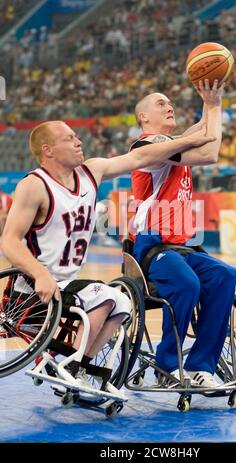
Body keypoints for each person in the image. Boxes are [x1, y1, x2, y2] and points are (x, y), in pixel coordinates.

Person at [1, 120, 214, 388]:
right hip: (32, 286)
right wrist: (40, 275)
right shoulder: (35, 185)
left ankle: (73, 365)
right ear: (49, 150)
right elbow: (9, 241)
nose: (79, 142)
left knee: (122, 303)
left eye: (77, 136)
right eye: (69, 138)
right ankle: (68, 365)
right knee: (103, 295)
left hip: (68, 284)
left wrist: (193, 137)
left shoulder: (92, 171)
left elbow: (141, 156)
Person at [129, 79, 236, 388]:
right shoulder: (146, 146)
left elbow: (204, 128)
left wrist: (210, 99)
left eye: (169, 101)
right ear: (143, 118)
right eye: (160, 103)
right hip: (153, 247)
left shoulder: (173, 142)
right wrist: (213, 108)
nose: (168, 105)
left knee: (224, 275)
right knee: (187, 283)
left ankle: (202, 366)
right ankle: (167, 365)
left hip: (183, 247)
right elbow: (209, 151)